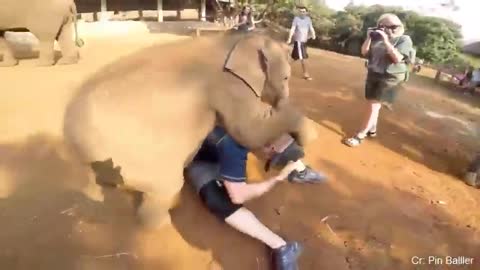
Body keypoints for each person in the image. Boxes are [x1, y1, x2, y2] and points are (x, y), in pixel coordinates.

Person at [185, 126, 326, 270]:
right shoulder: (232, 146)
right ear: (269, 146)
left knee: (280, 146)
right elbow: (238, 195)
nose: (270, 160)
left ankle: (299, 171)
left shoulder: (257, 122)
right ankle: (282, 247)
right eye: (272, 156)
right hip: (202, 158)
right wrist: (277, 178)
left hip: (225, 141)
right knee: (215, 199)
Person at [343, 13, 413, 147]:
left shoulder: (404, 39)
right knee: (372, 104)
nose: (393, 29)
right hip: (374, 72)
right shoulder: (376, 38)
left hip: (390, 77)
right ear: (381, 26)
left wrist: (386, 41)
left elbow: (397, 58)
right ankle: (372, 130)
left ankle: (360, 135)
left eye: (395, 26)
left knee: (374, 105)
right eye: (389, 26)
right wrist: (370, 37)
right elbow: (364, 52)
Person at [286, 6, 316, 81]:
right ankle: (305, 74)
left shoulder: (308, 19)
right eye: (300, 11)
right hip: (299, 42)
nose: (302, 13)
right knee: (303, 58)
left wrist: (313, 34)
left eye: (303, 11)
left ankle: (281, 68)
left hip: (304, 42)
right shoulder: (296, 19)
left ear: (306, 12)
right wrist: (289, 38)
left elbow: (311, 28)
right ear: (299, 12)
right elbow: (292, 29)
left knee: (295, 58)